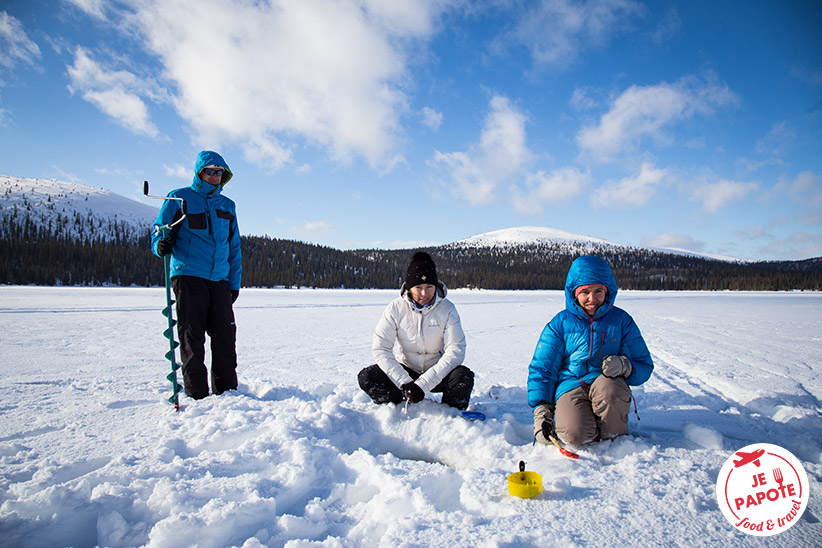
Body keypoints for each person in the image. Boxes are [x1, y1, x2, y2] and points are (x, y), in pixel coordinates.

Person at [527, 255, 653, 446]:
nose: (592, 299)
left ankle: (613, 437)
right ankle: (584, 422)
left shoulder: (621, 321)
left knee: (609, 389)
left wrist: (625, 366)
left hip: (606, 387)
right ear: (574, 293)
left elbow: (643, 366)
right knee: (574, 436)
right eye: (585, 292)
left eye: (598, 291)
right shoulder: (560, 324)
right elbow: (542, 369)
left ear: (607, 291)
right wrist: (542, 411)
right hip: (570, 385)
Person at [151, 150, 242, 400]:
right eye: (210, 171)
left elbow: (234, 247)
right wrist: (161, 244)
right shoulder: (179, 198)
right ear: (199, 172)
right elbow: (159, 231)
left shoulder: (227, 206)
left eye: (219, 172)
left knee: (225, 336)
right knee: (193, 338)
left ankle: (228, 393)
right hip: (189, 276)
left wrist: (234, 284)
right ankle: (197, 395)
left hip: (220, 280)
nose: (215, 176)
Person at [358, 252, 474, 410]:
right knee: (368, 377)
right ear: (409, 287)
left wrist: (423, 384)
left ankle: (449, 416)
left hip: (437, 372)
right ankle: (397, 407)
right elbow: (381, 348)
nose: (424, 294)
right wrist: (404, 382)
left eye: (429, 287)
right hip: (406, 371)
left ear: (436, 286)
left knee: (463, 376)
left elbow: (456, 350)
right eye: (418, 288)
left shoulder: (447, 309)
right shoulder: (395, 308)